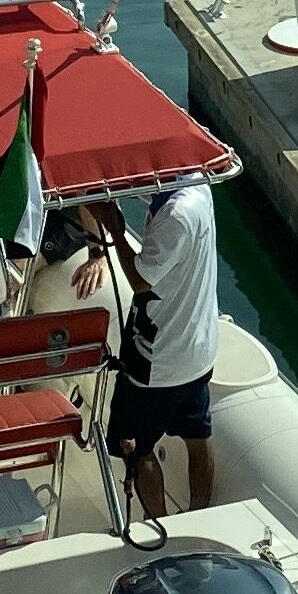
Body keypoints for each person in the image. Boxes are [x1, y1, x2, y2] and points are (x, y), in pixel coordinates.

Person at [108, 178, 225, 520]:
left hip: (156, 360)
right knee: (197, 436)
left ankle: (160, 524)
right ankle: (199, 514)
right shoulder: (199, 189)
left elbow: (140, 280)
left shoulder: (176, 214)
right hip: (196, 352)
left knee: (136, 448)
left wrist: (115, 229)